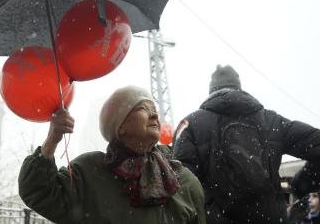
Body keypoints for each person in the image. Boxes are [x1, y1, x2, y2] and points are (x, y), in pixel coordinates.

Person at [18, 85, 206, 224]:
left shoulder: (181, 178)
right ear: (120, 127)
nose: (154, 116)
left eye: (154, 111)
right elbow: (39, 190)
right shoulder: (90, 172)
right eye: (142, 109)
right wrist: (53, 139)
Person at [172, 65, 320, 224]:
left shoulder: (190, 125)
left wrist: (210, 213)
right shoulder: (272, 121)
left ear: (211, 91)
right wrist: (301, 184)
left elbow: (180, 184)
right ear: (239, 87)